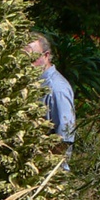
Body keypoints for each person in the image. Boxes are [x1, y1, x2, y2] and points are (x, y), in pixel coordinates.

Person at [23, 33, 76, 168]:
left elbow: (64, 137)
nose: (26, 63)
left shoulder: (57, 89)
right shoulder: (31, 83)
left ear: (46, 56)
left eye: (32, 58)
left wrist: (46, 168)